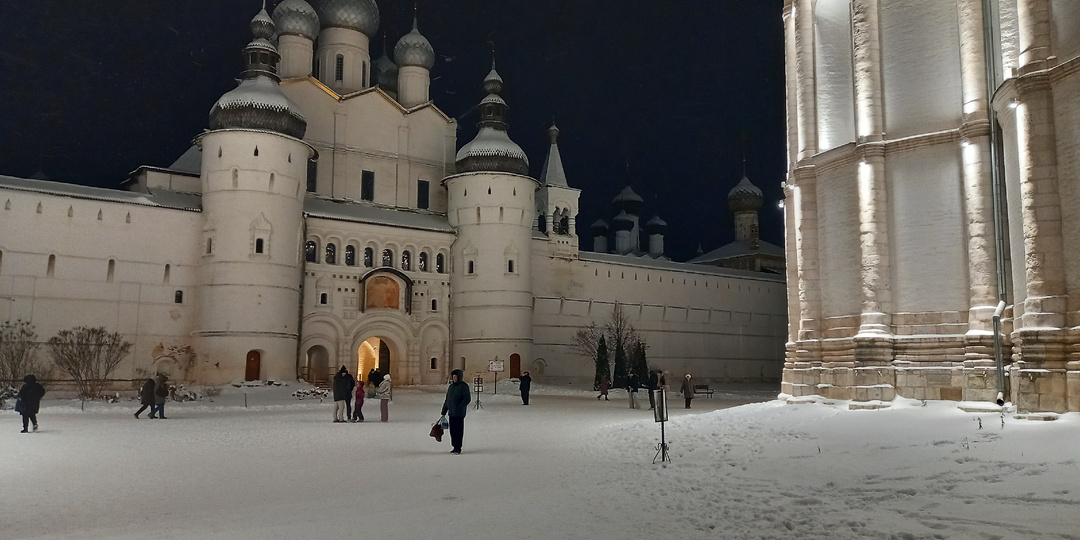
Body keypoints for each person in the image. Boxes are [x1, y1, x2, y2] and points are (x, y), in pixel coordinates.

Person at [441, 369, 471, 454]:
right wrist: (444, 411)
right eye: (453, 377)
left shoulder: (464, 386)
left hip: (459, 413)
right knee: (452, 431)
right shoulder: (451, 387)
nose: (454, 378)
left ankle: (458, 447)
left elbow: (467, 399)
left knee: (458, 430)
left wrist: (460, 406)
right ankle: (454, 446)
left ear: (459, 377)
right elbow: (447, 400)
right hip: (452, 413)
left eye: (455, 376)